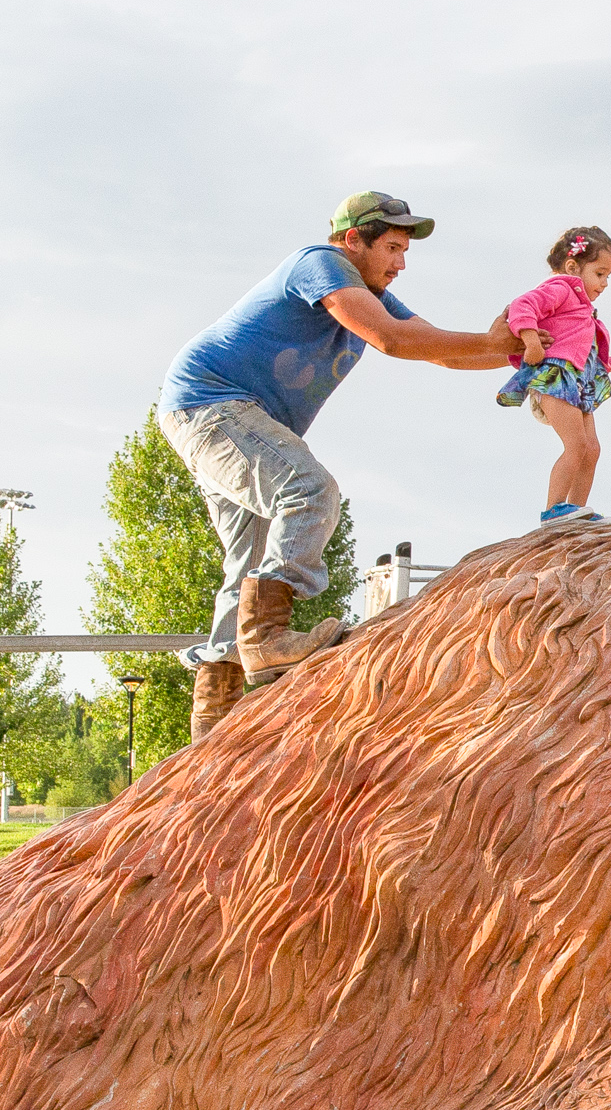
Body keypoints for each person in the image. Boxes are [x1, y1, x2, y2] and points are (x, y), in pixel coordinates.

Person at [158, 192, 550, 741]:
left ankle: (213, 718)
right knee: (308, 489)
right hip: (212, 405)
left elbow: (439, 349)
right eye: (391, 247)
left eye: (405, 251)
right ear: (351, 240)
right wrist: (493, 342)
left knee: (248, 559)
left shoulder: (374, 294)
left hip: (236, 420)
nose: (401, 262)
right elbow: (393, 340)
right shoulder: (319, 264)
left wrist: (517, 350)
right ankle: (267, 637)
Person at [495, 226, 611, 524]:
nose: (604, 283)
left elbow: (586, 355)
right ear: (573, 267)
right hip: (555, 378)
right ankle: (553, 509)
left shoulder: (582, 309)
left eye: (608, 277)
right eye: (600, 274)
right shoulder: (561, 288)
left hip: (579, 382)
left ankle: (575, 512)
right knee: (576, 444)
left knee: (592, 449)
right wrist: (532, 342)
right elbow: (522, 306)